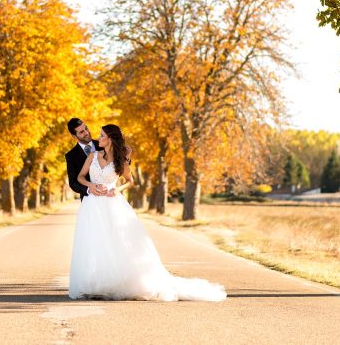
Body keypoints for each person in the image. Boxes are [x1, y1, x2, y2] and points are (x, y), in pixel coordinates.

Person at [68, 123, 226, 302]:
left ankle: (115, 283)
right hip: (92, 205)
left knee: (116, 242)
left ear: (110, 139)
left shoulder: (120, 160)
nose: (98, 138)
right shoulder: (92, 155)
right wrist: (91, 186)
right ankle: (93, 283)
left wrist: (117, 189)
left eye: (102, 135)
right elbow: (79, 178)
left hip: (113, 204)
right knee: (94, 243)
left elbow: (130, 180)